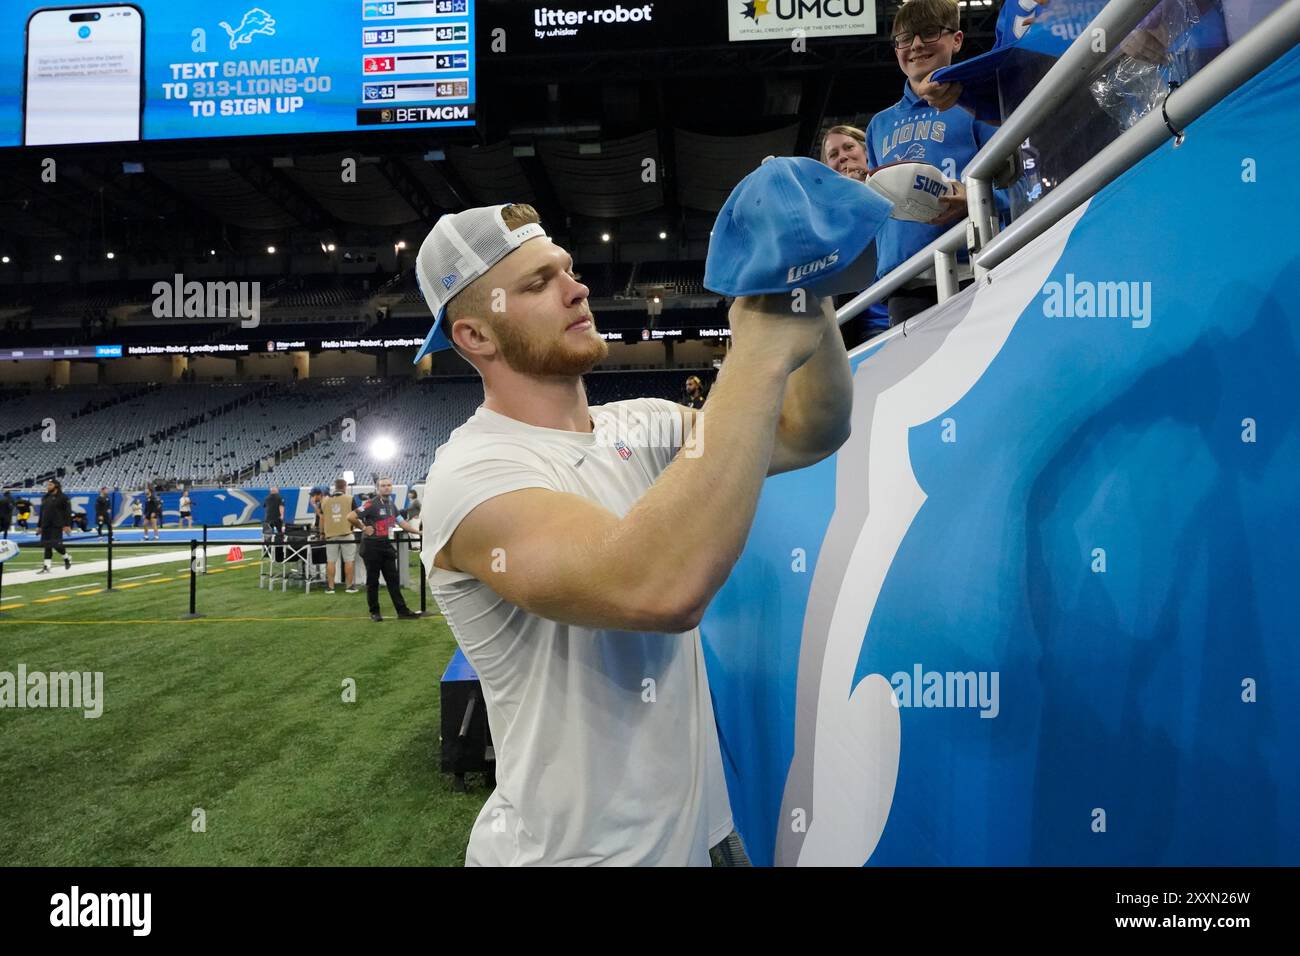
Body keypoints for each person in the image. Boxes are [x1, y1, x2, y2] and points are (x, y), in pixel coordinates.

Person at [412, 202, 847, 865]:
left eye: (567, 268)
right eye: (537, 283)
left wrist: (803, 287)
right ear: (475, 337)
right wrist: (756, 347)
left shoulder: (640, 424)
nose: (575, 287)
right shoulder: (471, 474)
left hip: (706, 835)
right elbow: (655, 588)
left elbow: (809, 429)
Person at [862, 0, 1004, 326]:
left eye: (928, 33)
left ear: (956, 39)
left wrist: (975, 199)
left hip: (976, 261)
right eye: (904, 38)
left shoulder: (980, 105)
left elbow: (1019, 179)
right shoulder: (879, 125)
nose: (915, 45)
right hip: (906, 279)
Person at [348, 477, 421, 621]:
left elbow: (402, 523)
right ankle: (375, 613)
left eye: (388, 485)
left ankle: (402, 612)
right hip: (371, 547)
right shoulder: (370, 504)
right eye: (383, 486)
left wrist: (418, 532)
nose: (386, 488)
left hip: (386, 546)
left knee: (393, 581)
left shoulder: (392, 505)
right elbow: (350, 516)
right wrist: (363, 528)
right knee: (373, 581)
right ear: (377, 488)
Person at [320, 479, 360, 594]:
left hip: (330, 535)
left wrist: (321, 533)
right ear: (345, 487)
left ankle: (331, 587)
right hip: (346, 533)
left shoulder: (325, 501)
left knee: (331, 561)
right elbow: (356, 515)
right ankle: (349, 586)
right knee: (349, 561)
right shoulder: (349, 498)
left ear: (335, 487)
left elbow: (322, 519)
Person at [35, 478, 72, 574]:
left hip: (57, 525)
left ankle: (67, 557)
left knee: (56, 545)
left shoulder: (63, 497)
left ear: (56, 486)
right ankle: (47, 567)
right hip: (45, 525)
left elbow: (67, 512)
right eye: (48, 485)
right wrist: (39, 526)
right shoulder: (45, 497)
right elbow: (42, 513)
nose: (48, 487)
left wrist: (67, 525)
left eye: (50, 485)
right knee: (47, 546)